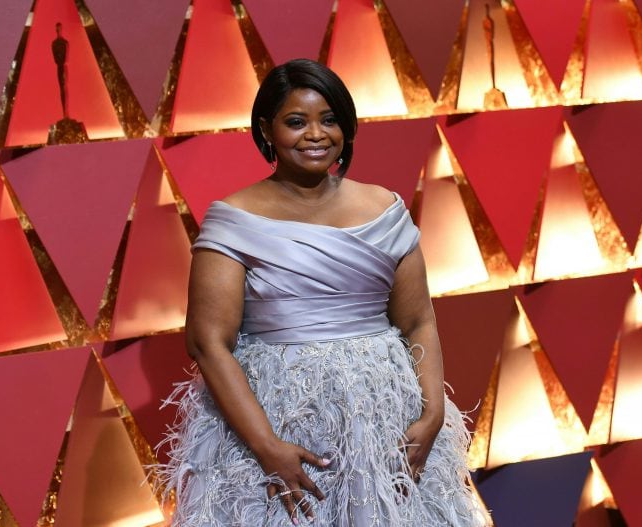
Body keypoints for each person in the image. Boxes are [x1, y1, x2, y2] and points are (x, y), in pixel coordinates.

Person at [158, 58, 487, 526]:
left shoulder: (386, 209)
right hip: (277, 418)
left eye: (329, 119)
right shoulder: (233, 219)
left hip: (385, 420)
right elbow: (208, 342)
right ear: (266, 130)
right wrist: (268, 447)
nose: (316, 134)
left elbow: (418, 321)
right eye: (296, 121)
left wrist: (432, 413)